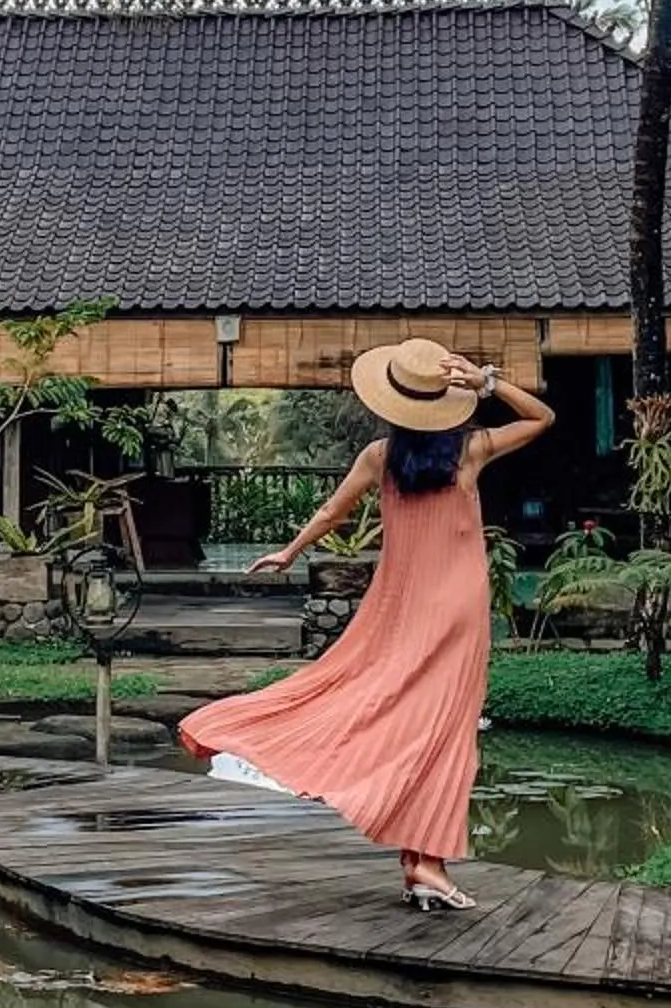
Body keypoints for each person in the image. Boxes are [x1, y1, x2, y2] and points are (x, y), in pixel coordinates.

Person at [177, 337, 554, 910]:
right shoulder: (471, 449)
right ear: (444, 400)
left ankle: (422, 862)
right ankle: (425, 862)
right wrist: (488, 382)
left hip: (404, 607)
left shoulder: (381, 456)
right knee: (444, 727)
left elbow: (334, 513)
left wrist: (290, 551)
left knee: (386, 706)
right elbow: (542, 417)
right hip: (458, 605)